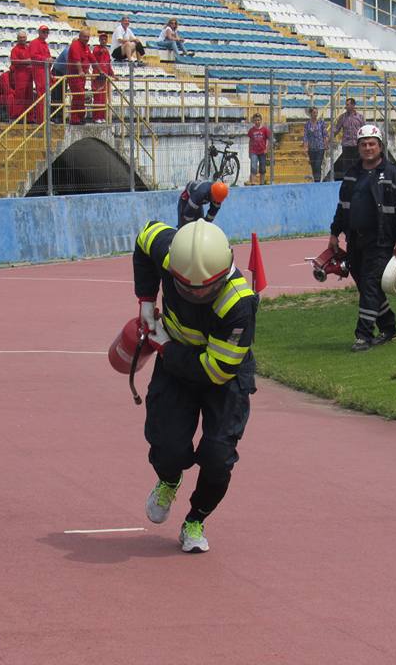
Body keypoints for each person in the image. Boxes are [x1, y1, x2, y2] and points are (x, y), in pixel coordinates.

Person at [133, 218, 258, 553]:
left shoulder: (238, 303)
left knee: (218, 457)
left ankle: (195, 519)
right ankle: (169, 479)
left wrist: (165, 348)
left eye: (204, 288)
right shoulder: (172, 254)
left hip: (222, 374)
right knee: (167, 446)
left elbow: (216, 371)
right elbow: (145, 238)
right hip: (175, 363)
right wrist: (146, 300)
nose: (195, 293)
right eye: (186, 287)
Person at [328, 124, 396, 352]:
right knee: (367, 287)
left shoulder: (394, 174)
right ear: (358, 147)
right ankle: (389, 328)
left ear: (380, 146)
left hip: (381, 241)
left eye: (372, 144)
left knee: (370, 285)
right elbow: (342, 207)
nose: (368, 148)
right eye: (363, 144)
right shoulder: (352, 174)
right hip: (355, 240)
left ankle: (363, 336)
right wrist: (334, 233)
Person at [67, 28, 95, 125]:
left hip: (81, 76)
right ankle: (75, 118)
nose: (86, 39)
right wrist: (80, 71)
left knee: (80, 96)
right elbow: (77, 60)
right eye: (84, 37)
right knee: (78, 96)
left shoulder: (85, 47)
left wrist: (100, 71)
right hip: (75, 75)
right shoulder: (75, 45)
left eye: (88, 37)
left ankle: (79, 117)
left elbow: (92, 59)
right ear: (80, 36)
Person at [333, 97, 365, 179]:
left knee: (358, 163)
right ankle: (347, 180)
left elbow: (363, 130)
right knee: (347, 165)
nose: (346, 106)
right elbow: (337, 129)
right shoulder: (342, 117)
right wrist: (330, 137)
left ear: (353, 105)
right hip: (346, 145)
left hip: (357, 144)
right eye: (346, 104)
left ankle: (358, 179)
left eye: (347, 105)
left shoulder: (360, 117)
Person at [28, 24, 52, 123]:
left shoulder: (45, 44)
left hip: (45, 70)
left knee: (45, 95)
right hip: (39, 70)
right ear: (39, 32)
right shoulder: (34, 43)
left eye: (47, 32)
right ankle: (41, 119)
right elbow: (33, 56)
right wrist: (46, 59)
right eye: (43, 32)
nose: (45, 33)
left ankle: (45, 118)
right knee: (42, 94)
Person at [9, 30, 35, 121]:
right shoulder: (15, 50)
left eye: (23, 37)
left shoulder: (28, 48)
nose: (22, 39)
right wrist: (26, 62)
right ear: (17, 39)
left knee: (29, 97)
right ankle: (18, 116)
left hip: (29, 76)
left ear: (26, 38)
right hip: (20, 76)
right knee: (20, 97)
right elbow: (14, 61)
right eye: (20, 37)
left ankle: (29, 118)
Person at [91, 32, 114, 124]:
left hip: (105, 77)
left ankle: (102, 116)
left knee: (103, 98)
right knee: (98, 98)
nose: (104, 41)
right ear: (99, 40)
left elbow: (108, 65)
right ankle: (96, 117)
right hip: (98, 77)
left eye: (105, 39)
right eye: (102, 39)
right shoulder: (96, 49)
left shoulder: (107, 51)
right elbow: (94, 62)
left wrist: (112, 74)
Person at [303, 106, 329, 182]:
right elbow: (305, 136)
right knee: (313, 166)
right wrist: (305, 147)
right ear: (310, 113)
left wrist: (326, 143)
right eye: (314, 113)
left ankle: (318, 181)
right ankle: (315, 181)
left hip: (320, 148)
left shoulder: (321, 123)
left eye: (317, 113)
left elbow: (325, 134)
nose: (316, 114)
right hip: (311, 148)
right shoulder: (307, 124)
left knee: (318, 165)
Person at [247, 112, 272, 185]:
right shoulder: (251, 130)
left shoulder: (265, 129)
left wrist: (267, 149)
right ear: (253, 121)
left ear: (261, 120)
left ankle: (262, 183)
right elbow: (250, 141)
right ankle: (253, 183)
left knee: (262, 168)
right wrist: (249, 151)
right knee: (253, 167)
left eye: (258, 120)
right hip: (254, 151)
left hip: (262, 151)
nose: (257, 122)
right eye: (255, 120)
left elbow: (269, 139)